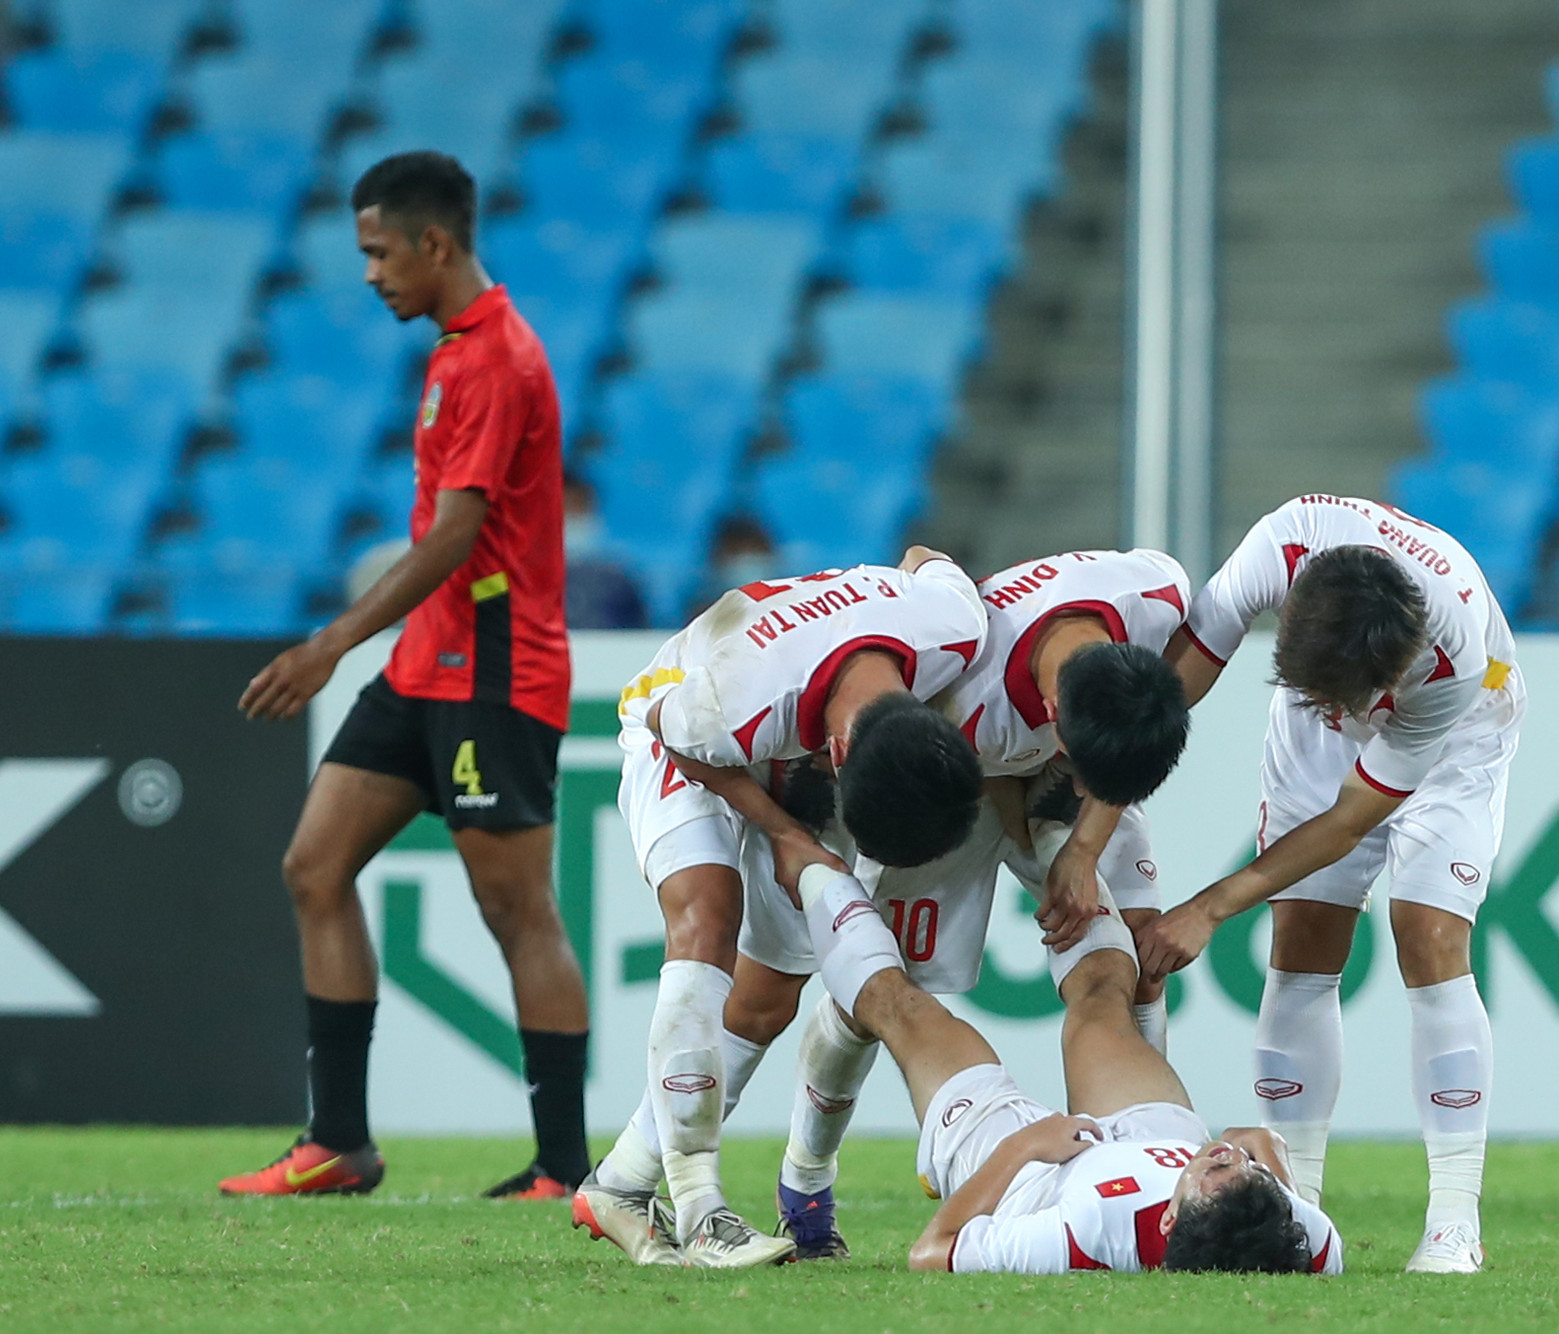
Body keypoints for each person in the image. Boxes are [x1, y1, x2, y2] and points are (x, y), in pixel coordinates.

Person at [220, 152, 591, 1202]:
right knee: (314, 864)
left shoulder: (498, 358)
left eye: (380, 253)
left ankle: (564, 1165)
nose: (371, 274)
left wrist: (330, 642)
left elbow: (455, 535)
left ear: (435, 243)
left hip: (495, 671)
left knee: (517, 910)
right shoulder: (456, 350)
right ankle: (339, 1142)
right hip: (427, 663)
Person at [679, 547, 1198, 1261]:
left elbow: (1128, 735)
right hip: (964, 796)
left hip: (1076, 780)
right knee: (882, 1001)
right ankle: (806, 1177)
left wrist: (1080, 847)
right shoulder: (959, 690)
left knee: (1136, 955)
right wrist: (1039, 829)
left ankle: (1145, 1162)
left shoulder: (1157, 591)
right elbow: (916, 587)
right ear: (1050, 715)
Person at [1140, 494, 1525, 1274]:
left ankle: (1454, 1222)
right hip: (1321, 724)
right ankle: (1297, 1202)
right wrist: (1104, 797)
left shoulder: (1449, 661)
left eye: (1337, 700)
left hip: (1462, 730)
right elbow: (1173, 686)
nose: (1329, 709)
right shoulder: (1280, 544)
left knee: (1429, 934)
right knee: (1304, 940)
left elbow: (1350, 821)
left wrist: (1210, 908)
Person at [573, 551, 987, 1267]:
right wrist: (785, 833)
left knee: (765, 1002)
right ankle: (700, 1210)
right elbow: (682, 741)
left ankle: (619, 1182)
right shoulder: (728, 703)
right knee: (708, 912)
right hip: (679, 720)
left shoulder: (953, 624)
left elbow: (925, 558)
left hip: (787, 730)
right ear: (837, 753)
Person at [791, 859, 1345, 1275]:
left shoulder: (1084, 1233)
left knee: (903, 1009)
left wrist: (1026, 1146)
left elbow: (931, 1251)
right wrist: (1268, 1160)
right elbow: (1263, 1165)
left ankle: (813, 869)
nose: (1231, 1157)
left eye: (1220, 1173)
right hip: (1157, 1139)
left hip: (1030, 1174)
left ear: (1169, 1220)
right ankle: (1056, 837)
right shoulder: (1301, 1239)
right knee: (1105, 992)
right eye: (1253, 1176)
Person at [560, 472, 647, 630]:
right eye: (565, 507)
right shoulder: (529, 578)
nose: (572, 517)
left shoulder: (617, 579)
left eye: (578, 507)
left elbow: (640, 632)